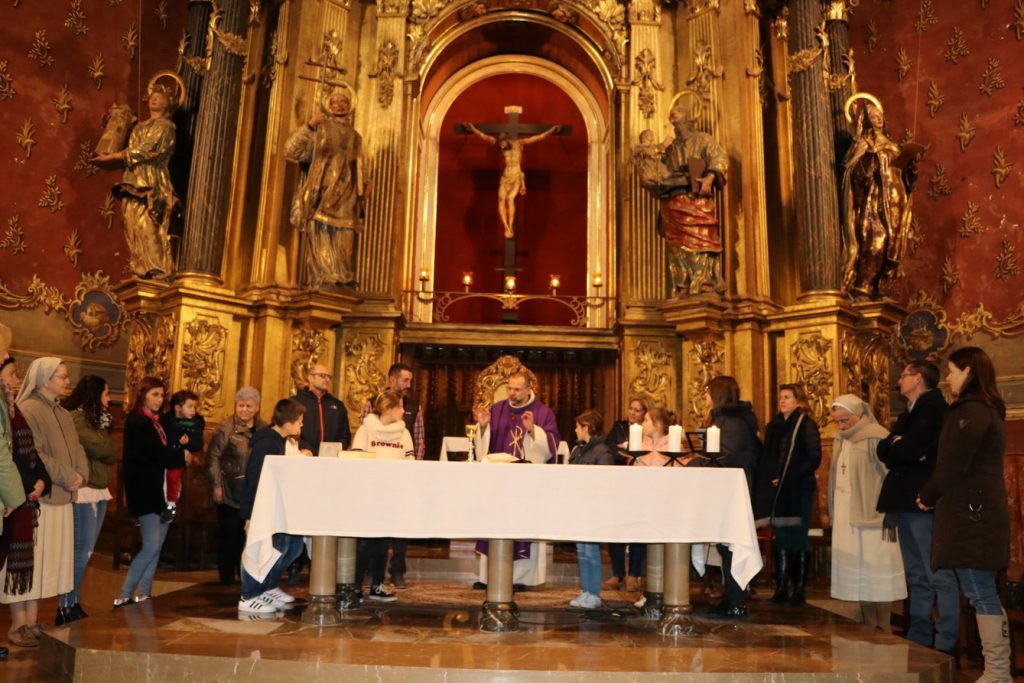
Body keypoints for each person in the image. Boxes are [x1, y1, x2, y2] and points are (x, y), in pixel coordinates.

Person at [918, 347, 1012, 681]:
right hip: (975, 512)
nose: (948, 378)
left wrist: (927, 494)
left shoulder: (972, 411)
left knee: (980, 592)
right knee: (980, 591)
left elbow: (954, 462)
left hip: (973, 516)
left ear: (968, 371)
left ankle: (997, 673)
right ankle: (997, 672)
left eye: (952, 371)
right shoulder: (981, 408)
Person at [876, 362, 958, 655]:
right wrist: (898, 446)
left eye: (904, 375)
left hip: (923, 498)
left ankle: (946, 639)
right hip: (904, 499)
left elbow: (909, 450)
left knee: (936, 572)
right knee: (916, 573)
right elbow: (884, 451)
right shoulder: (909, 412)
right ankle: (919, 634)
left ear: (919, 378)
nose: (898, 380)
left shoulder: (934, 409)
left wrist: (900, 446)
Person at [472, 370, 561, 589]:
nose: (511, 393)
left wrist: (533, 431)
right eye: (509, 388)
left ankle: (521, 579)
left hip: (526, 484)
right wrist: (483, 426)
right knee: (495, 524)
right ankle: (490, 577)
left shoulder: (543, 413)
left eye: (517, 389)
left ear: (529, 389)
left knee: (522, 526)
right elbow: (485, 449)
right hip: (499, 483)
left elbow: (551, 446)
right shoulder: (497, 409)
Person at [15, 358, 87, 626]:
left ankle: (32, 622)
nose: (68, 381)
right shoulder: (28, 409)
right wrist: (68, 476)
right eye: (62, 376)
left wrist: (81, 475)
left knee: (49, 563)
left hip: (64, 497)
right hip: (43, 499)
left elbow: (77, 449)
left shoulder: (64, 413)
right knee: (33, 562)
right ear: (45, 380)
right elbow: (36, 453)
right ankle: (21, 624)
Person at [829, 394, 906, 632]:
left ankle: (884, 625)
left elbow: (890, 474)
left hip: (872, 513)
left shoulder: (877, 436)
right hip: (846, 513)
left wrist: (890, 508)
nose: (841, 426)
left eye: (845, 420)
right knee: (860, 573)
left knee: (877, 569)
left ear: (859, 414)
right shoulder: (841, 439)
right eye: (837, 421)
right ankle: (868, 624)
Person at [638, 104, 728, 296]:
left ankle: (703, 281)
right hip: (671, 201)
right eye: (671, 114)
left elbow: (719, 157)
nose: (673, 116)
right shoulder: (670, 148)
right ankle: (683, 284)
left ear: (688, 116)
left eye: (677, 112)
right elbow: (658, 171)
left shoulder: (703, 139)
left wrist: (710, 177)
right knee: (676, 246)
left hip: (695, 198)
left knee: (701, 238)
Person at [115, 377, 189, 608]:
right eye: (154, 394)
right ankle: (124, 595)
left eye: (161, 395)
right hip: (145, 492)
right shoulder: (137, 421)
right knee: (151, 545)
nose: (159, 399)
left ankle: (144, 592)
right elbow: (154, 454)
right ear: (142, 394)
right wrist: (180, 456)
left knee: (156, 546)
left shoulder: (157, 422)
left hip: (162, 492)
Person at [93, 79, 178, 279]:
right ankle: (140, 268)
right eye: (152, 97)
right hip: (133, 177)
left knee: (148, 220)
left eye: (160, 98)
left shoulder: (166, 126)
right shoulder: (139, 127)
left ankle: (157, 268)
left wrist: (115, 157)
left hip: (151, 179)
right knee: (131, 221)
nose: (154, 100)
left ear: (169, 104)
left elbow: (147, 150)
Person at [284, 89, 365, 288]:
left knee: (345, 235)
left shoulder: (355, 136)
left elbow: (359, 164)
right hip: (322, 192)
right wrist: (310, 126)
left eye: (344, 102)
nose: (339, 105)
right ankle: (324, 277)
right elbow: (291, 151)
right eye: (335, 102)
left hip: (346, 194)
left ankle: (342, 277)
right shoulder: (321, 129)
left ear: (350, 106)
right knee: (322, 233)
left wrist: (366, 182)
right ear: (329, 106)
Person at [753, 383, 821, 606]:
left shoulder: (806, 424)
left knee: (798, 538)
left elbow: (813, 457)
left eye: (788, 397)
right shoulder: (774, 426)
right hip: (778, 490)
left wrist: (787, 476)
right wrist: (773, 476)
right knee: (782, 537)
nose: (782, 400)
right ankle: (781, 588)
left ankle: (799, 590)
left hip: (799, 489)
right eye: (781, 397)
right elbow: (769, 457)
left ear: (798, 401)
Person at [237, 399, 308, 614]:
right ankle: (249, 595)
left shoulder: (280, 441)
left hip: (275, 505)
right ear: (288, 423)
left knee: (290, 546)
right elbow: (255, 478)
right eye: (299, 421)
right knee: (260, 549)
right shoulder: (267, 443)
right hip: (260, 506)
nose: (302, 425)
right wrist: (250, 513)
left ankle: (267, 587)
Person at [840, 97, 916, 298]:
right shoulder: (863, 144)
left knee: (892, 243)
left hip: (895, 200)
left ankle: (878, 285)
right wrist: (870, 153)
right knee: (876, 240)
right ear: (866, 121)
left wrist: (910, 169)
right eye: (874, 117)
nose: (879, 119)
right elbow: (855, 174)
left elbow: (904, 176)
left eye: (880, 116)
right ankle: (863, 286)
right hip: (874, 201)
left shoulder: (893, 145)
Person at [0, 357, 50, 648]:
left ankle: (26, 622)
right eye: (11, 374)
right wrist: (20, 493)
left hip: (19, 495)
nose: (16, 380)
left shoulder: (13, 409)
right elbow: (6, 458)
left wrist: (42, 480)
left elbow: (31, 454)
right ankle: (17, 624)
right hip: (13, 496)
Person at [360, 363, 425, 588]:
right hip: (374, 480)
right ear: (392, 379)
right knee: (373, 526)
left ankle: (397, 570)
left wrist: (413, 470)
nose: (408, 384)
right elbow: (364, 442)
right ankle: (369, 570)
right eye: (405, 380)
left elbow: (418, 441)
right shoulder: (372, 403)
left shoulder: (413, 406)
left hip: (401, 479)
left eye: (410, 380)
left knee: (400, 526)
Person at [702, 376, 761, 618]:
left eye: (707, 391)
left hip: (733, 492)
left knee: (732, 547)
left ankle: (737, 602)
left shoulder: (733, 423)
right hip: (724, 491)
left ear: (718, 394)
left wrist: (697, 463)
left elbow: (725, 456)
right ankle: (731, 599)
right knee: (725, 547)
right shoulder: (724, 420)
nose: (705, 396)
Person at [62, 375, 118, 623]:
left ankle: (73, 601)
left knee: (88, 550)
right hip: (85, 490)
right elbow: (104, 449)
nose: (109, 399)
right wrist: (106, 445)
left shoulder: (95, 421)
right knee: (81, 551)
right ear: (94, 395)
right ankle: (66, 605)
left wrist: (106, 444)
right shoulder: (77, 418)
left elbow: (111, 451)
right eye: (106, 393)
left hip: (98, 487)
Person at [352, 390, 413, 602]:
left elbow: (410, 464)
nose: (404, 411)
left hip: (392, 496)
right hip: (369, 495)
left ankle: (377, 585)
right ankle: (355, 586)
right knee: (364, 543)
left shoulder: (404, 433)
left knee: (383, 543)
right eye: (400, 407)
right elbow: (356, 461)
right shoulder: (365, 430)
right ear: (388, 409)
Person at [463, 120, 561, 238]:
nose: (501, 146)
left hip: (516, 176)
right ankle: (506, 227)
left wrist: (551, 130)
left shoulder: (519, 143)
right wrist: (473, 129)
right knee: (501, 200)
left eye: (503, 143)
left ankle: (510, 225)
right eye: (500, 144)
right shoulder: (500, 144)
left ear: (507, 140)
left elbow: (537, 138)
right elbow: (485, 137)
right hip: (505, 177)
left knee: (510, 200)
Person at [207, 387, 264, 586]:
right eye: (241, 406)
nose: (244, 410)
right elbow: (213, 458)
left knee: (247, 536)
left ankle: (244, 574)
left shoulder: (264, 429)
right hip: (229, 489)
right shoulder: (225, 428)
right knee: (229, 534)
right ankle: (226, 576)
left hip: (253, 491)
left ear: (257, 408)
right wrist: (217, 486)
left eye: (249, 406)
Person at [568, 410, 615, 610]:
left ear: (586, 427)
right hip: (580, 506)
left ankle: (594, 593)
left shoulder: (602, 452)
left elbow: (605, 482)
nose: (575, 430)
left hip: (593, 508)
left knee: (591, 552)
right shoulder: (578, 450)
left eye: (578, 426)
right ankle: (585, 591)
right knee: (582, 551)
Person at [603, 397, 647, 591]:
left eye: (638, 410)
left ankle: (634, 575)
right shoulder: (619, 427)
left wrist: (628, 449)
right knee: (617, 528)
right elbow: (609, 448)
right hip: (619, 482)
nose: (633, 413)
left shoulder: (648, 431)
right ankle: (617, 574)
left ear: (644, 413)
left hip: (639, 484)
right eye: (631, 408)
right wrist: (625, 451)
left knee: (637, 529)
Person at [160, 390, 206, 523]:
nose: (193, 410)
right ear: (177, 408)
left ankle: (171, 505)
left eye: (195, 407)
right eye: (189, 406)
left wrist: (186, 443)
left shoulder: (195, 424)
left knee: (173, 479)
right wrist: (177, 443)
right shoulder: (166, 421)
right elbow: (165, 440)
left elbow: (197, 443)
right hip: (164, 458)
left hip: (177, 460)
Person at [294, 363, 351, 455]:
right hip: (304, 456)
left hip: (331, 458)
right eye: (322, 376)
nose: (327, 379)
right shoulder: (295, 402)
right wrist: (312, 451)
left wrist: (334, 451)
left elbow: (345, 436)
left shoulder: (338, 405)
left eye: (329, 377)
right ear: (310, 378)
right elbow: (290, 433)